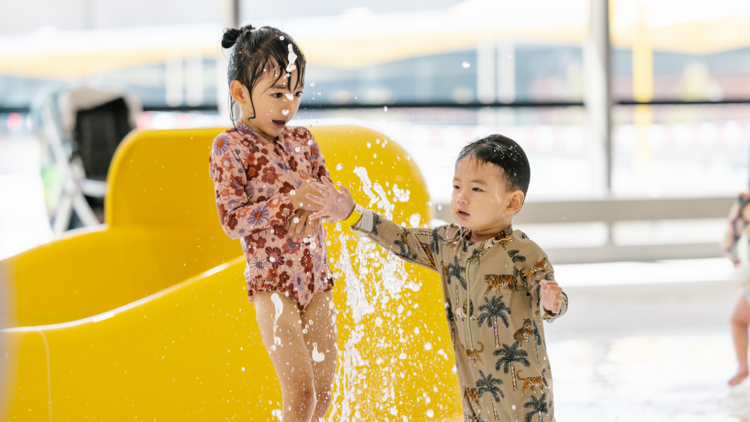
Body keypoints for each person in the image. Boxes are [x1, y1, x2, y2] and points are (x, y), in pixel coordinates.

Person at [306, 134, 568, 421]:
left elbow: (550, 300)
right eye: (457, 186)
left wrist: (551, 303)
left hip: (525, 398)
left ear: (511, 203)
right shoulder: (447, 243)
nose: (461, 197)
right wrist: (353, 214)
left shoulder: (524, 253)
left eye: (476, 189)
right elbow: (401, 238)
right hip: (475, 394)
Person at [209, 25, 337, 422]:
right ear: (239, 93)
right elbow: (232, 220)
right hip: (273, 284)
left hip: (316, 279)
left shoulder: (304, 141)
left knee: (324, 394)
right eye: (278, 94)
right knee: (300, 396)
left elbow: (327, 195)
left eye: (296, 93)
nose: (289, 105)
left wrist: (320, 203)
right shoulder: (230, 147)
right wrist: (289, 203)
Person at [722, 193, 750, 386]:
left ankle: (743, 366)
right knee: (737, 319)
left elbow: (730, 240)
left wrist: (734, 258)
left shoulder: (745, 200)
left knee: (738, 320)